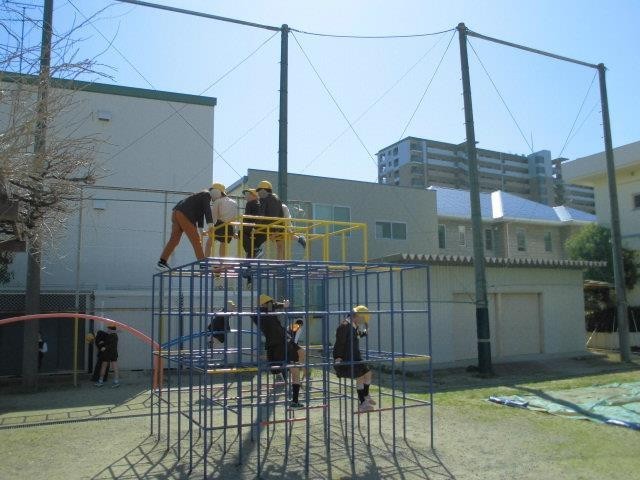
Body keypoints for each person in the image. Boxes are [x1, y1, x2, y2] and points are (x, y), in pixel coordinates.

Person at [252, 294, 305, 408]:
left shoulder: (267, 314)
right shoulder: (262, 315)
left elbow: (273, 306)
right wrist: (281, 305)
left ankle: (294, 396)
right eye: (270, 303)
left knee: (301, 353)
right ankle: (294, 397)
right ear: (264, 305)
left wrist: (282, 305)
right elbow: (269, 307)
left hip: (285, 342)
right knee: (291, 369)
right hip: (279, 345)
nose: (273, 305)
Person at [157, 186, 215, 271]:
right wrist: (211, 224)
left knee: (174, 239)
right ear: (215, 192)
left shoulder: (199, 197)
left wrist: (201, 229)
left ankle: (162, 262)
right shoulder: (207, 194)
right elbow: (207, 210)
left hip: (176, 213)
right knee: (196, 240)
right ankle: (202, 264)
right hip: (185, 215)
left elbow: (201, 215)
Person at [333, 305, 376, 413]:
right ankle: (363, 401)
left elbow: (357, 336)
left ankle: (365, 397)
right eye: (363, 319)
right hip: (347, 357)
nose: (363, 322)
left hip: (356, 356)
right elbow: (339, 343)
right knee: (361, 376)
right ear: (358, 316)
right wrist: (338, 358)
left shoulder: (353, 325)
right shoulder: (344, 326)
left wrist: (365, 332)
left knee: (367, 373)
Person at [205, 183, 238, 258]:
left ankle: (205, 260)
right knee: (223, 245)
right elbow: (234, 218)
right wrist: (235, 231)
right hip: (229, 227)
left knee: (209, 243)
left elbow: (214, 217)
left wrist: (210, 228)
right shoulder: (234, 203)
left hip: (219, 225)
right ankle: (222, 262)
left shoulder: (218, 201)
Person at [255, 180, 285, 260]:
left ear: (264, 190)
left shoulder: (263, 199)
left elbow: (261, 215)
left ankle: (256, 255)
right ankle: (280, 264)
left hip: (267, 227)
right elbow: (281, 214)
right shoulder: (278, 199)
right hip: (279, 227)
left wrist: (255, 227)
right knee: (280, 247)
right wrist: (278, 230)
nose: (258, 193)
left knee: (253, 240)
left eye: (259, 191)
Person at [241, 188, 265, 259]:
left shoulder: (249, 203)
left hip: (252, 227)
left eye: (247, 194)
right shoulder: (261, 204)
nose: (246, 196)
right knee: (252, 242)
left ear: (253, 196)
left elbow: (246, 218)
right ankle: (255, 251)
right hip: (263, 229)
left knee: (241, 233)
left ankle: (253, 251)